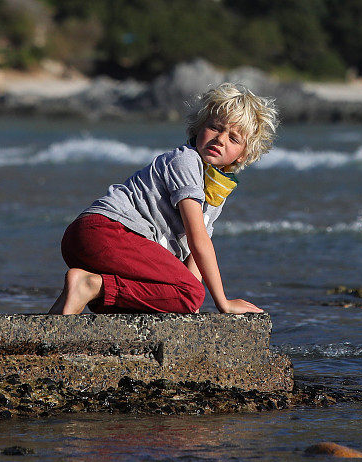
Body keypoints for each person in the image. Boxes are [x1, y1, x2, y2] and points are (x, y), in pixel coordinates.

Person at [48, 83, 278, 315]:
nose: (221, 139)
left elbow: (192, 258)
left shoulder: (215, 191)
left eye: (234, 138)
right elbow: (199, 241)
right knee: (190, 293)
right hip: (105, 232)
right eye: (215, 127)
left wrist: (187, 305)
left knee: (180, 297)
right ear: (198, 128)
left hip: (91, 241)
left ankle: (59, 318)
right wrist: (223, 303)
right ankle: (91, 285)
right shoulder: (186, 161)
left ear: (243, 155)